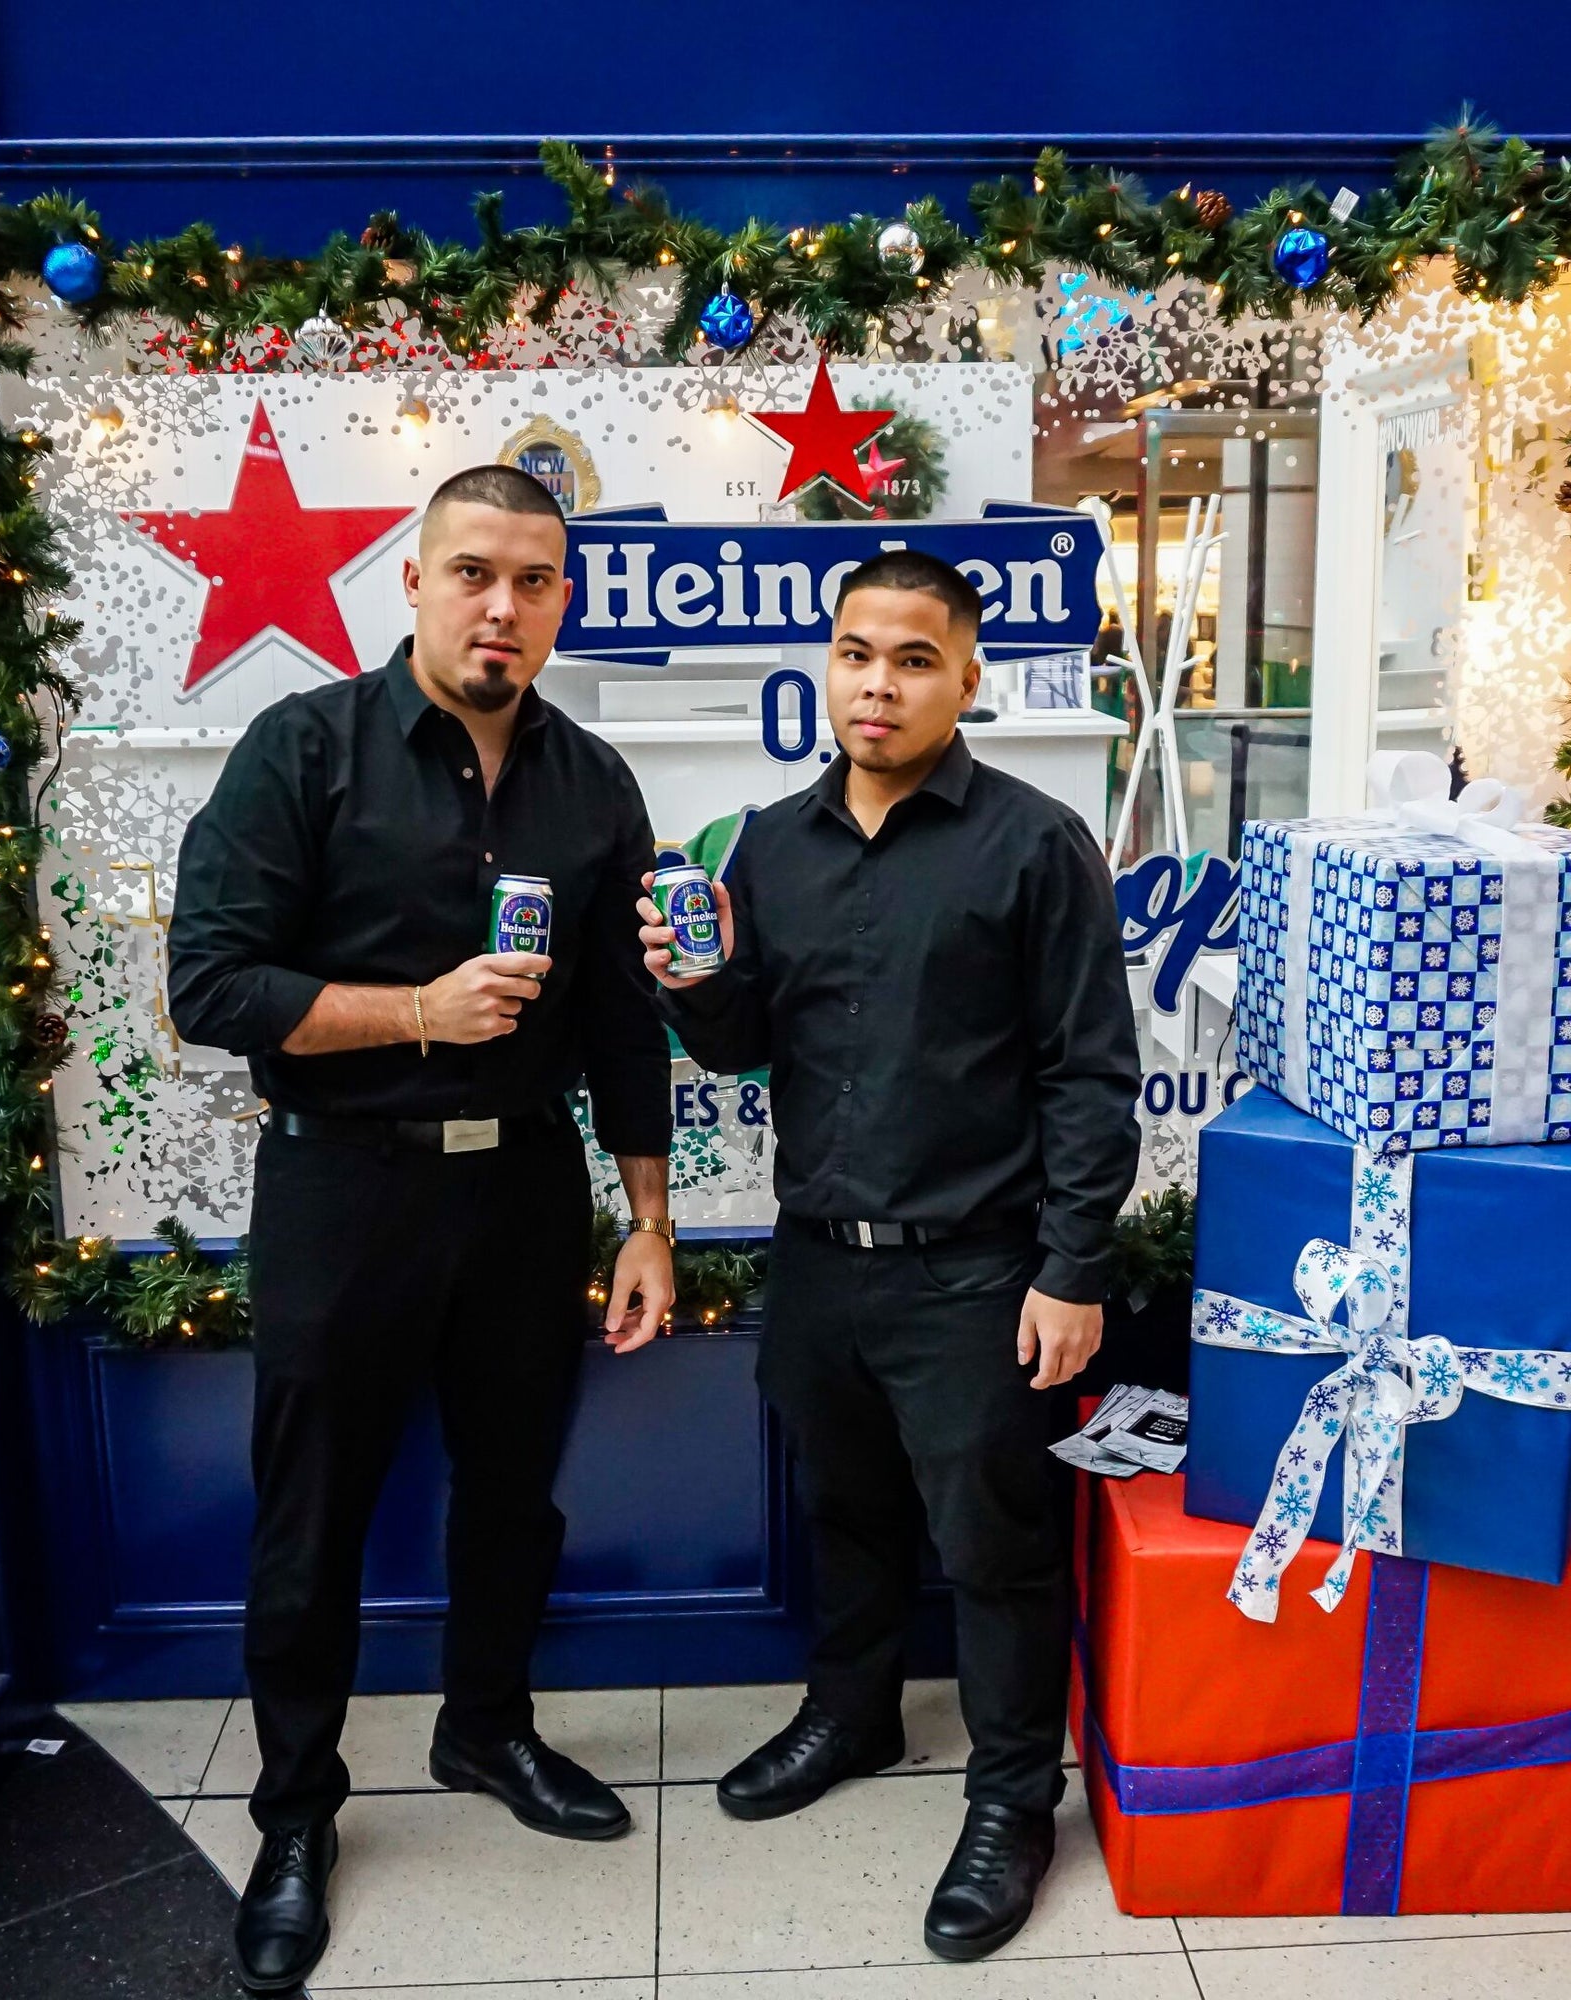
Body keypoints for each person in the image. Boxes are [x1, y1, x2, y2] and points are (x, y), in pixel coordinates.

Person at [169, 464, 674, 1995]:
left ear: (563, 601)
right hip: (346, 1185)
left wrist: (647, 1220)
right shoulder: (302, 750)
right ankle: (296, 1820)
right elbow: (211, 986)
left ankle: (486, 1729)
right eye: (473, 572)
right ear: (413, 580)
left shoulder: (593, 784)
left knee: (513, 1496)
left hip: (525, 1189)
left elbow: (621, 1023)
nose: (501, 606)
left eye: (533, 580)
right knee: (311, 1520)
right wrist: (416, 1010)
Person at [638, 549, 1141, 1963]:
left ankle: (1008, 1801)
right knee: (849, 1516)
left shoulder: (1035, 844)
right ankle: (851, 1717)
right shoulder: (771, 848)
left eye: (914, 658)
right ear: (826, 661)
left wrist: (1074, 1269)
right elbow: (746, 1047)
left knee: (994, 1550)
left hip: (980, 1270)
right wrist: (696, 981)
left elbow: (1090, 1077)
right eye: (859, 652)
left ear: (966, 677)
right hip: (819, 1259)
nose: (879, 682)